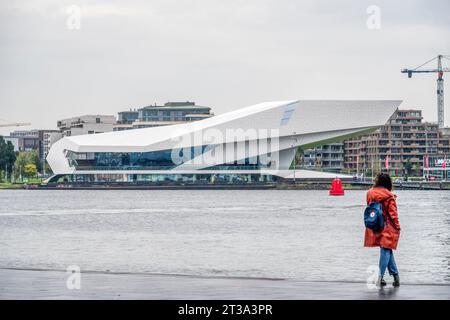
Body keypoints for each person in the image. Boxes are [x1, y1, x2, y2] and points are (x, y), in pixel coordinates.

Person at [364, 173, 401, 287]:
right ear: (388, 183)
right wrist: (398, 226)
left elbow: (370, 208)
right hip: (387, 227)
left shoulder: (370, 193)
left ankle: (396, 276)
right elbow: (393, 214)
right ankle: (379, 277)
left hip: (375, 226)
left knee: (387, 250)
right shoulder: (389, 196)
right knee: (386, 250)